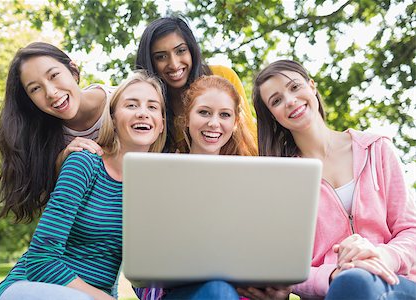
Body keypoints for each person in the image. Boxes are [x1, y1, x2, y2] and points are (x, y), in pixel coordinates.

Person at [0, 71, 167, 300]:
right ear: (113, 118)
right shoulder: (85, 162)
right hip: (30, 286)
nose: (143, 113)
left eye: (152, 107)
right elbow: (41, 261)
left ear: (162, 124)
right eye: (131, 105)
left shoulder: (154, 189)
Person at [252, 59, 416, 299]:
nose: (290, 101)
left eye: (295, 87)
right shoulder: (283, 181)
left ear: (312, 86)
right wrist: (331, 276)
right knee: (352, 282)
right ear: (273, 116)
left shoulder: (376, 149)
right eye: (276, 101)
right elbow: (287, 264)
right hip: (333, 291)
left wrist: (382, 256)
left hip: (396, 282)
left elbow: (411, 230)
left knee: (359, 281)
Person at [133, 76, 291, 300]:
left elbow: (265, 253)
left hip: (243, 293)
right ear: (186, 118)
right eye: (204, 112)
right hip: (179, 293)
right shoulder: (162, 175)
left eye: (224, 115)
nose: (214, 123)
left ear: (235, 123)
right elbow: (143, 270)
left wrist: (277, 291)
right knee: (218, 291)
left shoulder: (252, 181)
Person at [0, 42, 115, 223]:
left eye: (54, 75)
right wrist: (62, 160)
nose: (50, 92)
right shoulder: (43, 138)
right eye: (35, 88)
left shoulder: (123, 103)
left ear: (73, 71)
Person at [135, 16, 257, 154]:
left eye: (180, 51)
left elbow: (248, 138)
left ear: (191, 50)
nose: (174, 64)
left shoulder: (222, 75)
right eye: (161, 57)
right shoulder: (148, 105)